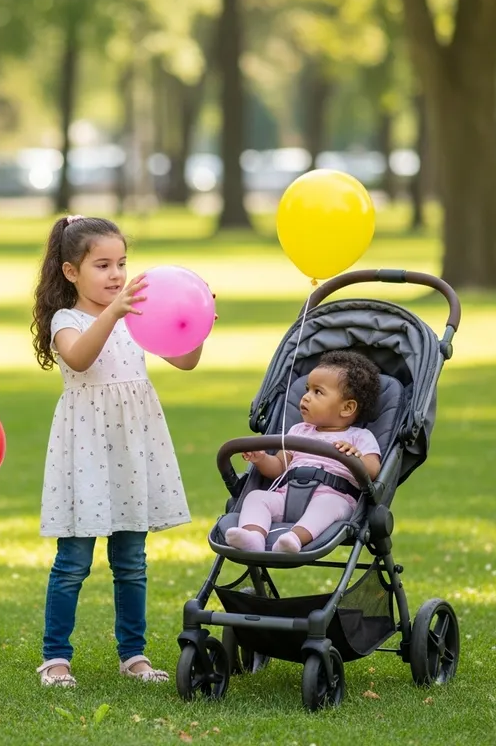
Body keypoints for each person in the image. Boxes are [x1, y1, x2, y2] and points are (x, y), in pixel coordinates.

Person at [30, 214, 206, 688]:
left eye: (122, 264)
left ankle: (133, 654)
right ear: (71, 272)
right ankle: (55, 657)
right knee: (73, 563)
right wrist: (115, 312)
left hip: (132, 449)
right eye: (103, 265)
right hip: (85, 448)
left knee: (132, 561)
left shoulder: (138, 316)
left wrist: (199, 319)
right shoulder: (66, 320)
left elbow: (185, 359)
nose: (116, 275)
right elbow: (80, 357)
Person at [225, 350, 382, 553]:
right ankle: (253, 538)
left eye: (318, 392)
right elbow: (279, 467)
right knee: (256, 497)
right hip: (287, 495)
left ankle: (293, 539)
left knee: (327, 504)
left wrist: (356, 457)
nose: (305, 397)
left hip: (334, 497)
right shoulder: (298, 431)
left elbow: (373, 471)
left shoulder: (359, 437)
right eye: (307, 389)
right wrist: (261, 458)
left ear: (347, 408)